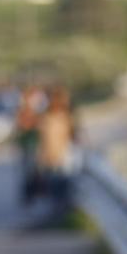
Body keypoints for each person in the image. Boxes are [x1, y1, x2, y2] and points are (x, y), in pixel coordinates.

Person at [34, 85, 77, 213]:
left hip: (60, 157)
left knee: (61, 184)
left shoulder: (63, 117)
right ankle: (59, 210)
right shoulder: (53, 118)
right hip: (56, 157)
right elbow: (47, 140)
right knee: (58, 184)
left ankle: (61, 209)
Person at [14, 86, 43, 205]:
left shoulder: (37, 111)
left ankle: (33, 193)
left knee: (33, 170)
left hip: (34, 144)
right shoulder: (24, 111)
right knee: (28, 171)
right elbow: (21, 126)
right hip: (28, 145)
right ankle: (29, 195)